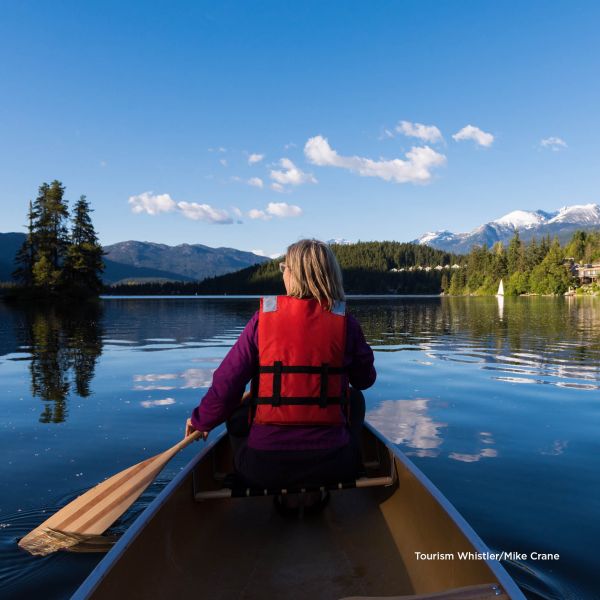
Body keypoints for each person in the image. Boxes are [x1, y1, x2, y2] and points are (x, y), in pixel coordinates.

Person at [186, 239, 376, 493]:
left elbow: (227, 382)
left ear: (293, 274)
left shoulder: (261, 321)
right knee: (355, 398)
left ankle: (241, 478)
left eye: (284, 267)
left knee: (239, 410)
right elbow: (365, 380)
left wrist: (202, 421)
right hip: (334, 465)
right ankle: (353, 467)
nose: (283, 273)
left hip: (263, 469)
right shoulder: (346, 323)